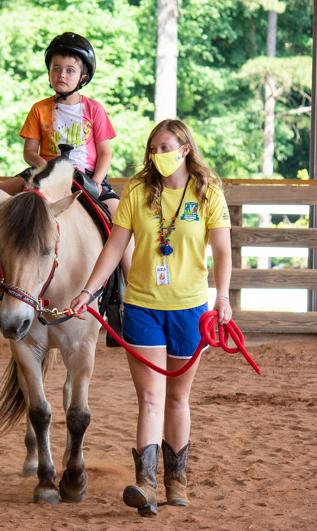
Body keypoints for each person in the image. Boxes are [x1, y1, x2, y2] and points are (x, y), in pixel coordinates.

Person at [70, 119, 233, 516]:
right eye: (153, 148)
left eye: (165, 147)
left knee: (177, 397)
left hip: (191, 308)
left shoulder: (208, 192)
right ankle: (145, 484)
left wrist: (223, 297)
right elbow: (114, 248)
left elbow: (224, 251)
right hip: (142, 306)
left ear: (185, 148)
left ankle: (177, 481)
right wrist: (88, 290)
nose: (158, 154)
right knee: (149, 397)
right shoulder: (138, 192)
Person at [0, 31, 128, 279]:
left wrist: (97, 180)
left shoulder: (94, 109)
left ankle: (132, 282)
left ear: (83, 76)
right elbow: (29, 152)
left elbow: (105, 152)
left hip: (86, 175)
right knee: (0, 195)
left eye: (70, 70)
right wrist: (46, 167)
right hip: (45, 171)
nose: (62, 75)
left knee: (121, 217)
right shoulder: (39, 109)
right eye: (56, 69)